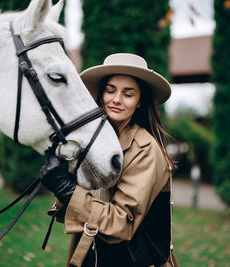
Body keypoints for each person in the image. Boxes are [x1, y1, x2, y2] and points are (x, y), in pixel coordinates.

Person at [40, 53, 178, 267]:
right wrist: (63, 182)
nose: (116, 99)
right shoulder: (97, 142)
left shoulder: (145, 149)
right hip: (93, 254)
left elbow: (121, 223)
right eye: (110, 90)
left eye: (128, 94)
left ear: (140, 101)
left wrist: (67, 190)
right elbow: (80, 209)